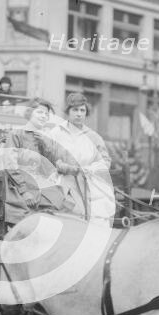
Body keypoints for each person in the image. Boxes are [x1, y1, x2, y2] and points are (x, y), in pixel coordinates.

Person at [0, 98, 74, 225]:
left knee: (66, 201)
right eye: (40, 112)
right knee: (35, 215)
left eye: (46, 114)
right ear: (29, 113)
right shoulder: (16, 134)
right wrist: (24, 191)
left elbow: (52, 164)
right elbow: (10, 164)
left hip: (38, 182)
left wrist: (45, 145)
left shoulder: (43, 137)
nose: (44, 116)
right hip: (18, 184)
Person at [50, 92, 115, 221]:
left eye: (82, 110)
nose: (79, 114)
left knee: (101, 213)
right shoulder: (55, 133)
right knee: (69, 212)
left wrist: (92, 168)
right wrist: (62, 166)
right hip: (63, 181)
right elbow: (47, 157)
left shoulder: (93, 137)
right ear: (68, 111)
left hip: (89, 182)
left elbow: (105, 161)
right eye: (75, 110)